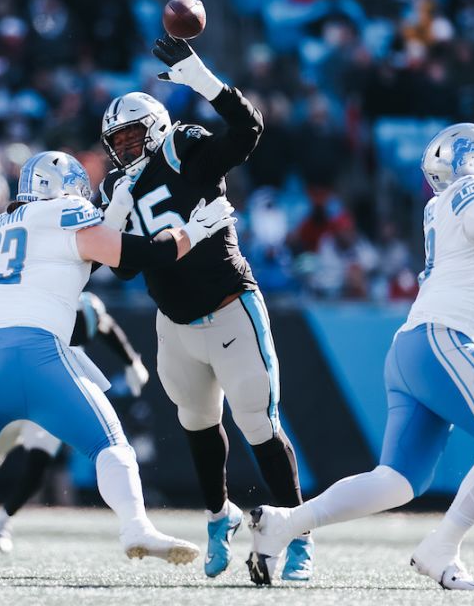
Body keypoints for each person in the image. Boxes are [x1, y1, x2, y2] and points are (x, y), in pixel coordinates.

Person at [248, 123, 474, 590]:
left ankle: (283, 525)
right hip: (444, 340)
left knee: (397, 482)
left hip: (418, 347)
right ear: (470, 160)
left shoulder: (462, 211)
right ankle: (442, 546)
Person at [0, 152, 235, 582]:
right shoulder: (70, 212)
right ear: (67, 188)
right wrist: (194, 231)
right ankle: (134, 526)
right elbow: (133, 254)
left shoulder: (5, 223)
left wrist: (116, 210)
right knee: (111, 444)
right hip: (35, 350)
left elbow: (79, 250)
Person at [98, 34, 310, 581]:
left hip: (231, 307)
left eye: (129, 137)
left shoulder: (182, 147)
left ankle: (298, 535)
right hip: (174, 325)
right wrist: (134, 217)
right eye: (114, 142)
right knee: (197, 425)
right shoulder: (116, 188)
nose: (122, 150)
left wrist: (203, 80)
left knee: (258, 426)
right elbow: (120, 265)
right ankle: (219, 517)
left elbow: (249, 131)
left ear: (154, 130)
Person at [0, 291, 149, 552]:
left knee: (39, 462)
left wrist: (131, 361)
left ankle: (4, 520)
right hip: (14, 385)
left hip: (50, 392)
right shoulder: (35, 300)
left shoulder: (80, 304)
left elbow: (103, 323)